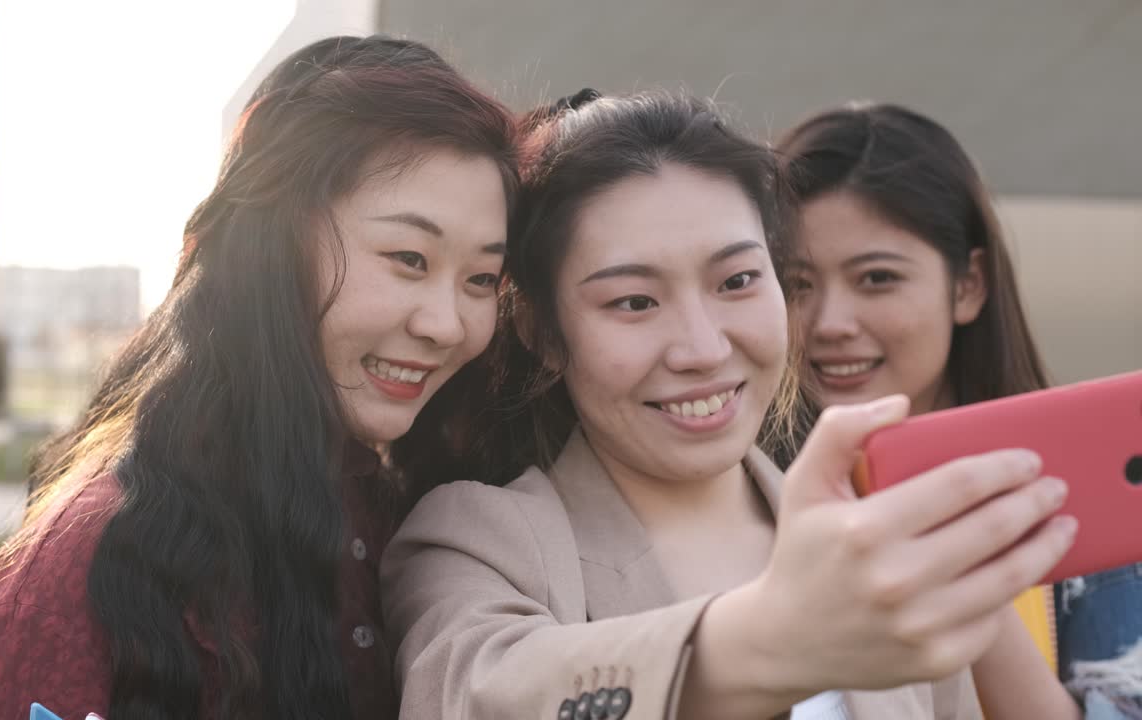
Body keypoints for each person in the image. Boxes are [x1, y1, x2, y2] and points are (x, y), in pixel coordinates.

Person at [381, 91, 1077, 719]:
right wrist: (773, 637)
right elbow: (481, 695)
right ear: (543, 333)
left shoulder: (872, 538)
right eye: (634, 301)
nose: (703, 347)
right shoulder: (485, 540)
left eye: (738, 280)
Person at [0, 35, 517, 720]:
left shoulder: (407, 518)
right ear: (272, 249)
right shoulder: (106, 555)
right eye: (409, 258)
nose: (448, 324)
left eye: (481, 279)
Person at [778, 101, 1141, 719]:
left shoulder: (1089, 498)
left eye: (877, 279)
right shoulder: (735, 497)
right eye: (797, 284)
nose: (831, 323)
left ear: (967, 285)